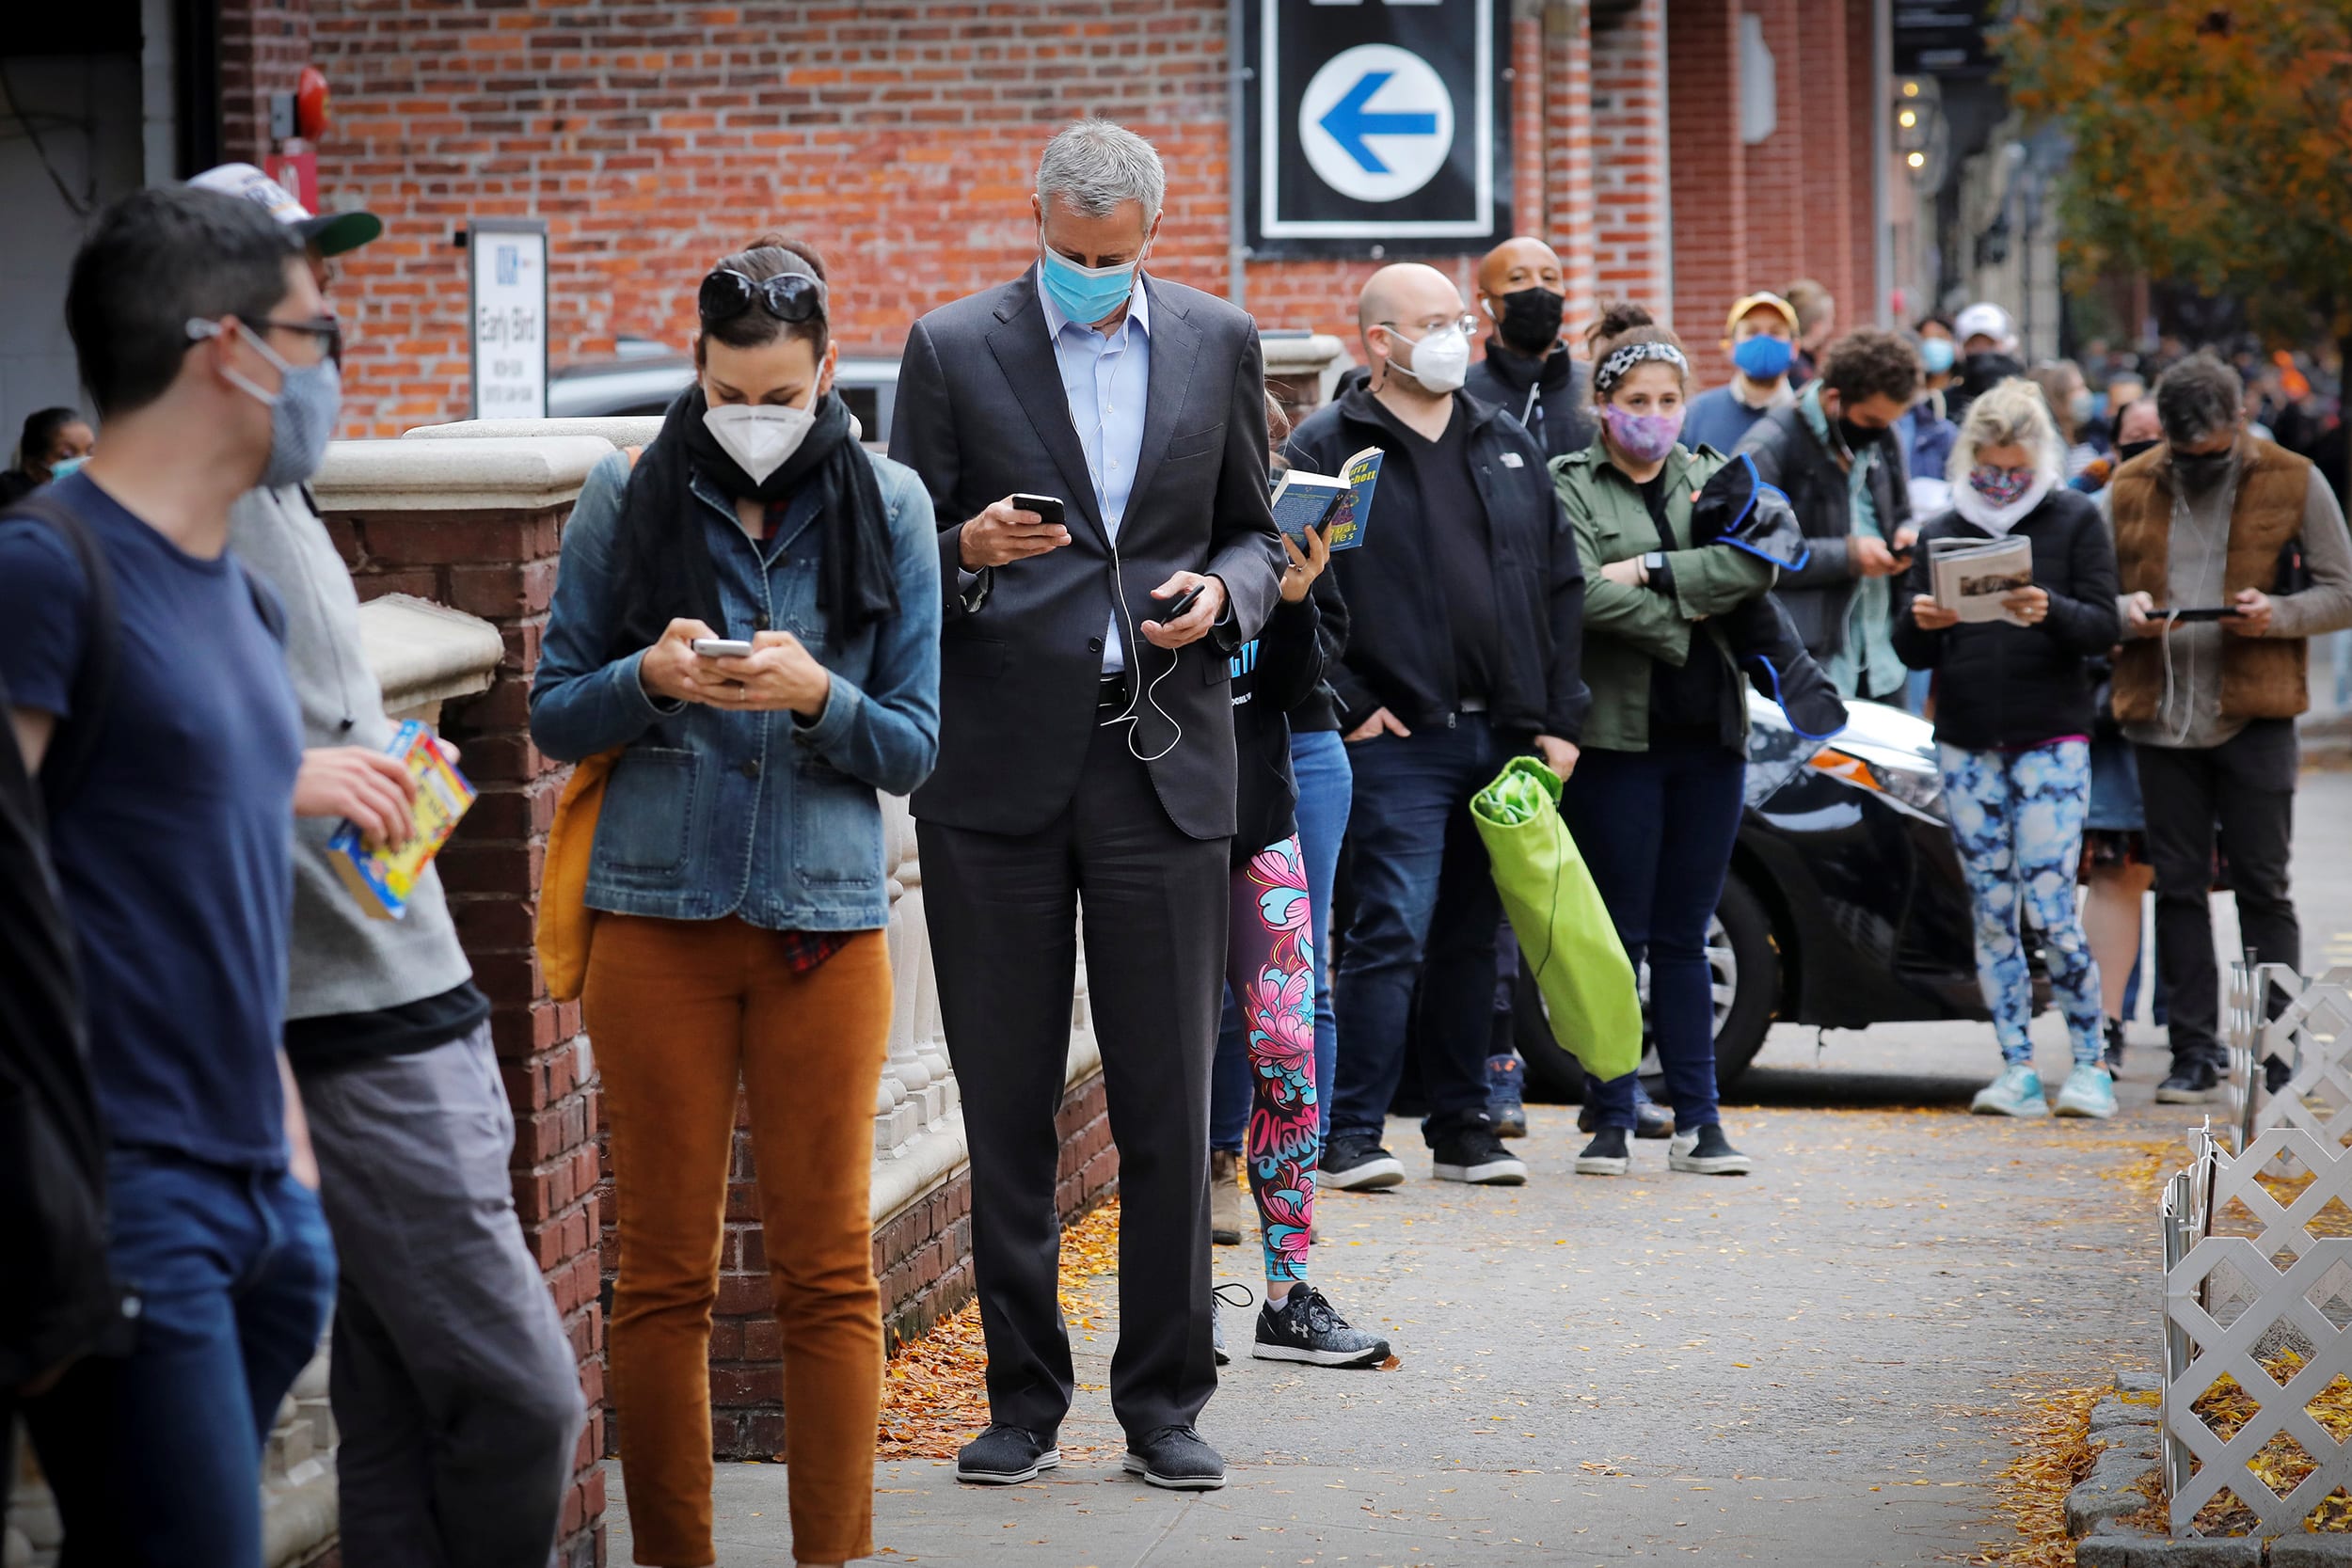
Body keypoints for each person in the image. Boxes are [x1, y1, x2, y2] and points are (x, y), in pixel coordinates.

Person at [532, 235, 942, 1567]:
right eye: (730, 390)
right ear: (696, 371)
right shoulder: (625, 494)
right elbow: (552, 711)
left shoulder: (891, 505)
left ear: (827, 370)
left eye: (779, 390)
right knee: (662, 1274)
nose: (755, 417)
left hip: (826, 918)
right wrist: (650, 678)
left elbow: (915, 744)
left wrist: (822, 696)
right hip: (656, 915)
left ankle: (835, 1554)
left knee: (828, 1267)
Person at [887, 119, 1283, 1494]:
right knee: (1004, 1093)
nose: (1090, 273)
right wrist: (965, 544)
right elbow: (892, 549)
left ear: (1150, 243)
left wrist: (1228, 593)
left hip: (1159, 756)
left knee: (1167, 1093)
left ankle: (1167, 1399)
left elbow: (1260, 525)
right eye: (1069, 251)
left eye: (1112, 258)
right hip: (993, 768)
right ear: (1036, 221)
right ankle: (1020, 1397)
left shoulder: (1218, 340)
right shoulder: (950, 346)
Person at [206, 161, 586, 1567]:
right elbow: (95, 764)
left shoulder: (284, 501)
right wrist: (279, 778)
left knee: (393, 1408)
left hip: (410, 991)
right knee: (519, 1393)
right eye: (298, 306)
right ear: (210, 326)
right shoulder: (175, 521)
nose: (328, 335)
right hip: (348, 1032)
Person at [0, 183, 337, 1567]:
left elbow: (223, 875)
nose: (331, 365)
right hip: (124, 1197)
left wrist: (295, 1170)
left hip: (263, 1202)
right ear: (227, 346)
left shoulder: (242, 596)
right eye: (316, 331)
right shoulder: (44, 571)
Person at [1285, 262, 1587, 1195]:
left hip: (1500, 733)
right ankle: (1350, 1134)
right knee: (1388, 931)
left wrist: (1554, 715)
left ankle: (1463, 1130)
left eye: (1458, 319)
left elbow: (1556, 583)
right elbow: (1293, 583)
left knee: (1471, 934)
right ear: (1379, 341)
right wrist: (1346, 694)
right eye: (1432, 322)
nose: (1455, 336)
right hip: (1396, 741)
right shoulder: (1330, 445)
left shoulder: (1500, 440)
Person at [1549, 303, 1779, 1178]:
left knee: (1687, 933)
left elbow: (1752, 566)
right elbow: (1573, 589)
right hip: (1617, 742)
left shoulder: (1718, 472)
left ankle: (1700, 1117)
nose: (1654, 412)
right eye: (1636, 396)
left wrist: (1650, 571)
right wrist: (1686, 623)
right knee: (1619, 935)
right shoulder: (1571, 480)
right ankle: (1610, 1111)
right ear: (1604, 405)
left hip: (1709, 739)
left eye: (1669, 396)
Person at [2107, 354, 2352, 1103]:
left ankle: (2278, 1059)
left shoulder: (2294, 475)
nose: (2197, 464)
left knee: (2263, 887)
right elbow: (2091, 593)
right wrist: (2123, 614)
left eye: (2211, 452)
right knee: (2176, 888)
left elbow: (2341, 592)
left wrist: (2276, 614)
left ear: (2239, 422)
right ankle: (2194, 1052)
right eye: (2185, 455)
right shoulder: (2129, 484)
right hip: (2160, 713)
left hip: (2256, 710)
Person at [1207, 392, 1390, 1370]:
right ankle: (1180, 1294)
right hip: (1162, 832)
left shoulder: (1272, 550)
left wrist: (1288, 599)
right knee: (1175, 1056)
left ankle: (1288, 1292)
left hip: (1262, 822)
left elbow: (1291, 695)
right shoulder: (1149, 533)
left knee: (1284, 1046)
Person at [1893, 379, 2122, 1117]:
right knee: (1991, 909)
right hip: (1966, 738)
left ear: (2039, 456)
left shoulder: (2075, 518)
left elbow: (2104, 625)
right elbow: (1905, 641)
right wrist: (1923, 618)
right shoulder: (1942, 527)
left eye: (2015, 467)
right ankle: (2016, 1063)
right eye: (1989, 467)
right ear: (1970, 458)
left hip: (2051, 733)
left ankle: (2092, 1060)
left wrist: (2049, 610)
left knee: (2053, 906)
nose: (2002, 482)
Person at [1737, 329, 1922, 702]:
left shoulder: (1885, 435)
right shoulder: (1770, 445)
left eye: (1889, 423)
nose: (1880, 433)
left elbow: (1902, 509)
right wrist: (1848, 556)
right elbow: (1748, 553)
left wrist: (1904, 532)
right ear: (1834, 399)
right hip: (1809, 664)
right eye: (1870, 421)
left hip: (1882, 658)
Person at [1464, 235, 1597, 463]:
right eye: (1518, 278)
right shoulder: (1464, 397)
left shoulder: (1597, 388)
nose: (1538, 287)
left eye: (1549, 278)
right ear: (1485, 301)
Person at [1681, 292, 1801, 455]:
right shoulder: (1696, 416)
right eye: (1752, 332)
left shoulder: (1806, 420)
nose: (1763, 341)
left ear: (1794, 348)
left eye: (1775, 332)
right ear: (1730, 347)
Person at [1948, 302, 2026, 425]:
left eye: (1990, 344)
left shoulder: (2023, 399)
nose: (1981, 351)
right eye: (1973, 344)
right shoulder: (1944, 402)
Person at [0, 406, 96, 504]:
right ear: (33, 468)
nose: (84, 463)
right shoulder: (18, 511)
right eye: (66, 456)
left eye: (90, 453)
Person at [2029, 358, 2104, 478]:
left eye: (2084, 386)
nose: (2086, 394)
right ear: (2055, 399)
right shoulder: (2050, 451)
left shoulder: (2092, 433)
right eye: (2077, 389)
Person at [1783, 278, 1836, 388]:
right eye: (1831, 320)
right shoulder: (1801, 375)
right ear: (1817, 327)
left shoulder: (1787, 361)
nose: (1831, 327)